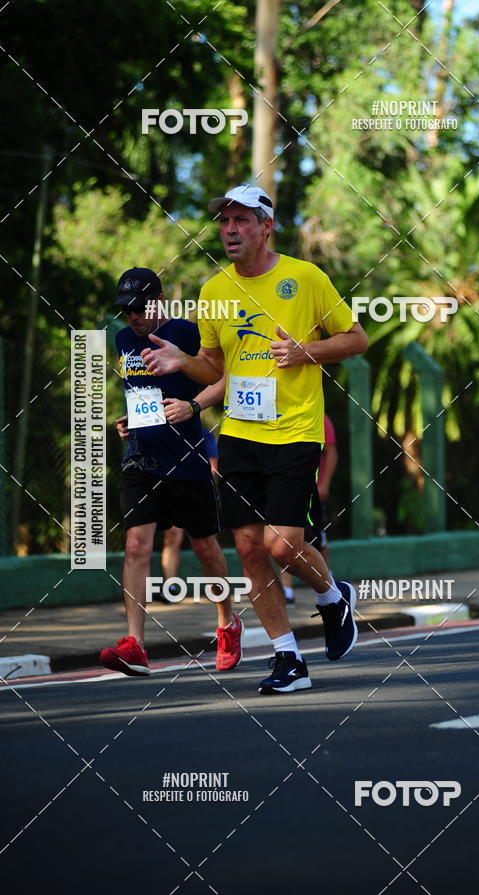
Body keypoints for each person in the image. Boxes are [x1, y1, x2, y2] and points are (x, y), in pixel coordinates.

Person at [141, 185, 369, 694]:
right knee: (248, 549)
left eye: (242, 220)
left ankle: (333, 598)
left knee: (283, 544)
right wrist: (183, 364)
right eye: (224, 222)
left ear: (267, 226)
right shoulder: (214, 290)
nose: (230, 230)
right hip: (240, 432)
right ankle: (287, 658)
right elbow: (214, 366)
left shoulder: (304, 278)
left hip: (294, 432)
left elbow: (356, 338)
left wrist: (306, 351)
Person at [100, 267, 243, 676]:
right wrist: (126, 420)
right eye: (126, 310)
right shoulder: (123, 339)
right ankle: (136, 645)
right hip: (141, 457)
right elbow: (138, 392)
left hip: (187, 458)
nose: (134, 317)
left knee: (204, 547)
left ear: (159, 301)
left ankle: (226, 623)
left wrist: (192, 405)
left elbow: (219, 377)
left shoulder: (186, 331)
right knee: (135, 546)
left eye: (140, 308)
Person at [152, 426, 219, 604]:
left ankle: (215, 590)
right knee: (171, 538)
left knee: (205, 544)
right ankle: (171, 588)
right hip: (173, 492)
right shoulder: (162, 434)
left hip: (196, 491)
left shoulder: (204, 434)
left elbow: (213, 468)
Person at [282, 413, 338, 606]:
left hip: (311, 488)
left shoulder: (320, 418)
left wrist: (325, 484)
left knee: (317, 539)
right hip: (286, 487)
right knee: (283, 538)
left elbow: (331, 452)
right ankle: (286, 590)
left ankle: (328, 586)